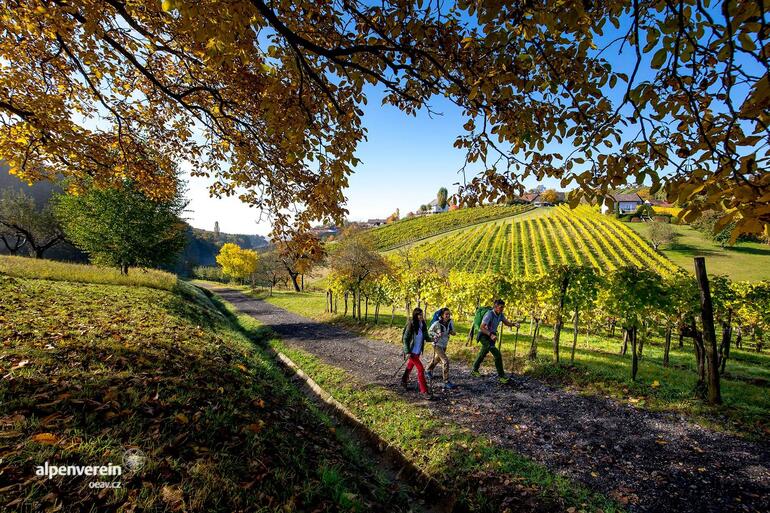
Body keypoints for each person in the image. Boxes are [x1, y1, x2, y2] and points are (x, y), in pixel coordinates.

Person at [471, 299, 518, 384]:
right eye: (501, 307)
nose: (502, 309)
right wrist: (491, 335)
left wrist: (514, 324)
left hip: (491, 336)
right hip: (483, 335)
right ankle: (501, 376)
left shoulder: (500, 315)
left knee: (483, 352)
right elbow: (482, 327)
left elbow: (507, 323)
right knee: (497, 354)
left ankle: (474, 369)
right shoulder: (489, 314)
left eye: (503, 307)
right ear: (495, 307)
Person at [401, 307, 434, 399]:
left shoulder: (423, 324)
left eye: (422, 314)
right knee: (421, 369)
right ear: (415, 315)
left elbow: (426, 337)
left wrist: (433, 339)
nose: (421, 316)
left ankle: (403, 381)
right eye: (419, 315)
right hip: (411, 352)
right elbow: (406, 339)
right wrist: (407, 352)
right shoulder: (411, 325)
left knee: (410, 366)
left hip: (418, 351)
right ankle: (424, 391)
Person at [427, 307, 457, 389]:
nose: (448, 315)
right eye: (446, 314)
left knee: (437, 359)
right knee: (445, 361)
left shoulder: (450, 322)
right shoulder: (437, 323)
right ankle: (446, 381)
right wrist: (436, 334)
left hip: (444, 344)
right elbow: (429, 331)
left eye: (449, 314)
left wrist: (452, 332)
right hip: (436, 344)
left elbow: (453, 332)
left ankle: (428, 370)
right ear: (442, 315)